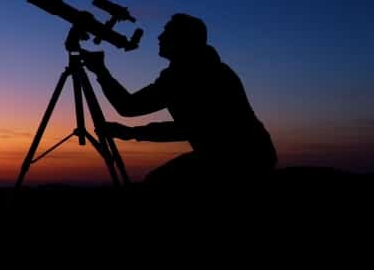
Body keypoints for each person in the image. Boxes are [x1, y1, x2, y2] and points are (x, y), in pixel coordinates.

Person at [82, 13, 277, 188]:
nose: (159, 37)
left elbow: (130, 107)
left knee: (158, 182)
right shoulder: (204, 68)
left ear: (183, 40)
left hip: (238, 158)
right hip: (243, 154)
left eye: (167, 32)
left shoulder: (187, 74)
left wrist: (101, 72)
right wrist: (131, 132)